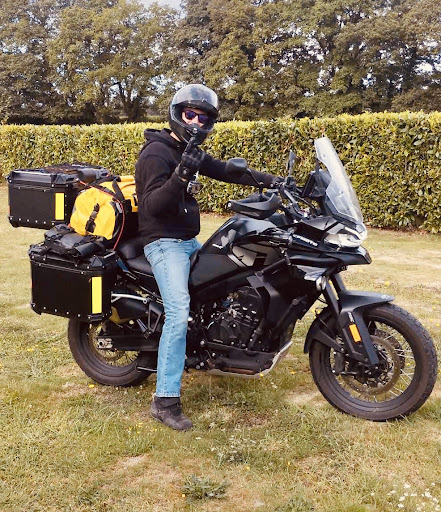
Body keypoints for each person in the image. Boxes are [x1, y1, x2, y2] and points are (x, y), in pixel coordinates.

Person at [135, 84, 279, 431]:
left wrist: (274, 181)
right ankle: (164, 400)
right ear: (177, 114)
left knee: (229, 282)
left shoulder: (189, 150)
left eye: (203, 118)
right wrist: (181, 175)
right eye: (190, 115)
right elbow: (153, 205)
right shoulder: (156, 153)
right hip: (163, 243)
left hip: (187, 241)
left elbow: (226, 170)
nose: (196, 123)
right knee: (178, 313)